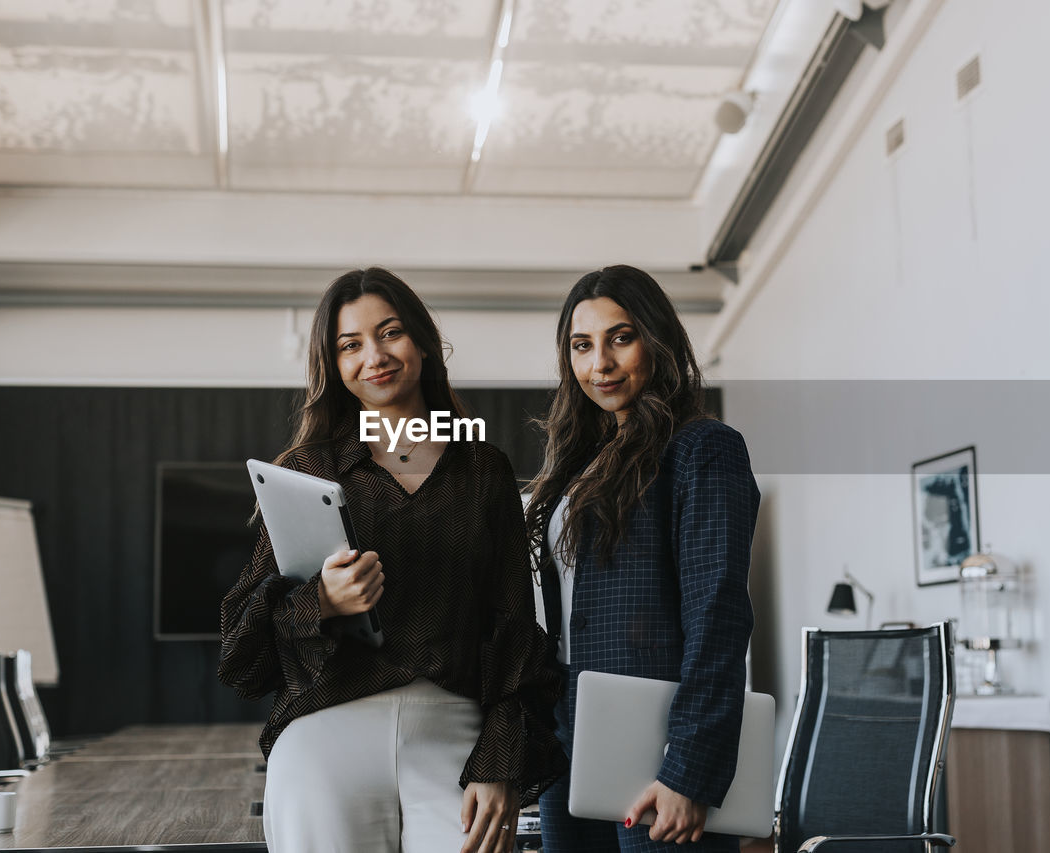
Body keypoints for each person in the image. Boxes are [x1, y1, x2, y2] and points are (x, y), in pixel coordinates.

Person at [219, 267, 565, 853]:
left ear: (424, 343)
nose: (374, 356)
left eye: (390, 333)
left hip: (454, 735)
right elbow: (239, 653)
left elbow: (512, 627)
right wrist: (319, 602)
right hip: (326, 732)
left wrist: (500, 761)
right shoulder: (308, 470)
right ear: (334, 366)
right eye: (350, 345)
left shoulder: (484, 469)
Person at [525, 265, 759, 851]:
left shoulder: (703, 449)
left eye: (619, 338)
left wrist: (688, 768)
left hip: (656, 740)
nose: (599, 363)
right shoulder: (576, 467)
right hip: (569, 733)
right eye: (582, 346)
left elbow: (719, 614)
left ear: (656, 341)